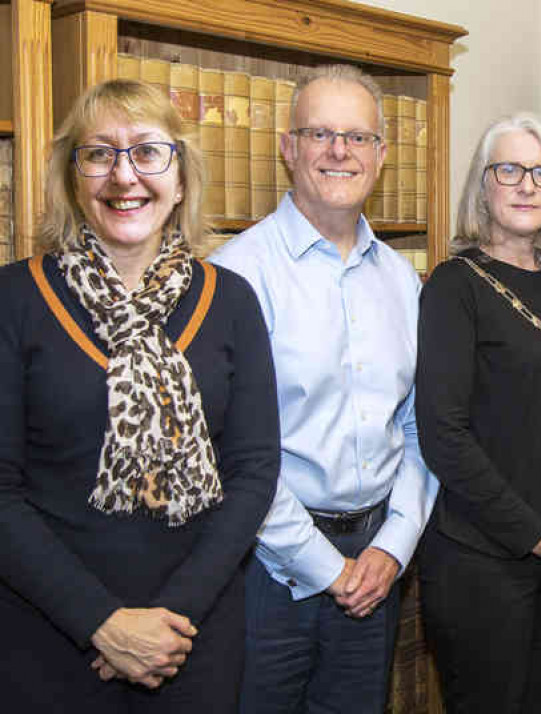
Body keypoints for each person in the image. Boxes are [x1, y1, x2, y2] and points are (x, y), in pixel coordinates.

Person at [0, 79, 280, 712]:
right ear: (72, 177)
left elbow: (255, 469)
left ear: (180, 177)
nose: (124, 176)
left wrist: (171, 620)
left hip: (194, 638)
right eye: (100, 154)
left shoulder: (230, 300)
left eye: (148, 152)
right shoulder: (14, 299)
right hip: (50, 638)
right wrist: (102, 622)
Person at [210, 64, 437, 714]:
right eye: (320, 133)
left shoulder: (400, 279)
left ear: (382, 155)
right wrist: (324, 566)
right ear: (288, 147)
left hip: (376, 565)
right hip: (266, 568)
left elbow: (421, 427)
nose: (340, 151)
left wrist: (393, 546)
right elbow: (227, 450)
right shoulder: (234, 277)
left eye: (358, 137)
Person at [415, 112, 541, 714]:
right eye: (509, 170)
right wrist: (535, 534)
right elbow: (442, 435)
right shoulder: (453, 287)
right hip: (483, 560)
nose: (527, 185)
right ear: (482, 185)